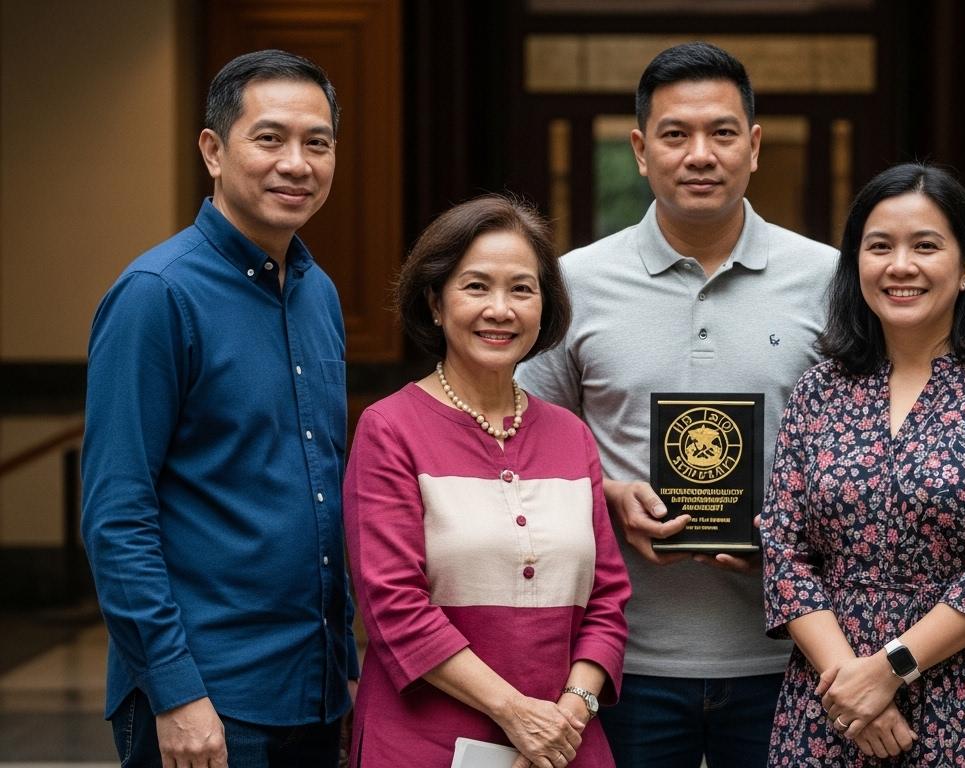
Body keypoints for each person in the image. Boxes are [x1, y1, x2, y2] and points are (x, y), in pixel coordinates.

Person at [516, 42, 837, 766]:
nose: (700, 154)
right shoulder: (574, 284)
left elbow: (871, 454)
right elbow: (523, 449)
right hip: (621, 659)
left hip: (791, 654)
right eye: (675, 134)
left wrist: (795, 530)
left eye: (722, 133)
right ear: (639, 150)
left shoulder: (830, 280)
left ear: (754, 146)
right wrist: (608, 495)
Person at [82, 50, 356, 767]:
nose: (296, 164)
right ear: (212, 150)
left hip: (314, 688)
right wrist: (174, 690)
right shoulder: (157, 294)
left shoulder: (318, 293)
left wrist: (347, 668)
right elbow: (116, 514)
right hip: (207, 696)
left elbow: (324, 485)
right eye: (270, 138)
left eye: (317, 143)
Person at [761, 162, 965, 766]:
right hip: (831, 700)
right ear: (855, 263)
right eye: (880, 247)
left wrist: (889, 670)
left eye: (926, 246)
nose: (900, 266)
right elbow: (783, 549)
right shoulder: (818, 391)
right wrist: (852, 684)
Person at [343, 195, 630, 768]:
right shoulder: (389, 429)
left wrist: (567, 716)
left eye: (521, 289)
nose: (500, 309)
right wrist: (516, 714)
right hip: (422, 744)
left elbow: (607, 600)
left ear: (544, 307)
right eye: (476, 287)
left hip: (564, 746)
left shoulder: (571, 435)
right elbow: (395, 606)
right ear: (435, 303)